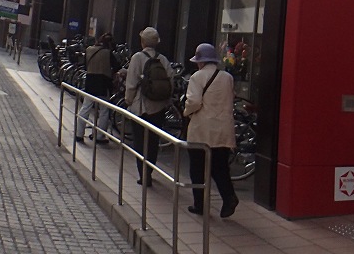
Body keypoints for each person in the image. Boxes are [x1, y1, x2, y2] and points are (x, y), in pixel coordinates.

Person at [182, 42, 239, 218]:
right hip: (223, 130)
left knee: (197, 169)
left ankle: (199, 204)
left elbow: (193, 102)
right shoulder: (227, 77)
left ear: (201, 61)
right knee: (220, 167)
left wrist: (186, 112)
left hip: (202, 129)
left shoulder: (197, 77)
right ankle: (229, 197)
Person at [124, 26, 174, 185]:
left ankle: (143, 175)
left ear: (143, 41)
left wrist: (128, 100)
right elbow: (170, 82)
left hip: (141, 107)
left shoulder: (137, 58)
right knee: (153, 142)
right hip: (158, 107)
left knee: (140, 142)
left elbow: (131, 82)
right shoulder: (163, 59)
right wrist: (166, 102)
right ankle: (150, 171)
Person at [76, 32, 119, 144]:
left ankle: (79, 134)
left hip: (90, 82)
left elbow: (85, 66)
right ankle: (99, 136)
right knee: (104, 111)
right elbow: (117, 67)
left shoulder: (89, 50)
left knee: (85, 108)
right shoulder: (108, 53)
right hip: (103, 84)